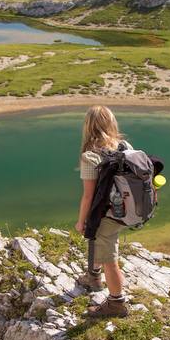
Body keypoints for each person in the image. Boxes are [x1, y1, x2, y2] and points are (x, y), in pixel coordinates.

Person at [75, 105, 129, 318]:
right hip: (124, 209)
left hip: (106, 213)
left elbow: (88, 196)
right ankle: (93, 276)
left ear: (88, 126)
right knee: (100, 242)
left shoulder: (91, 156)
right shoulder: (124, 146)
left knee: (109, 257)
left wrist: (81, 221)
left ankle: (116, 304)